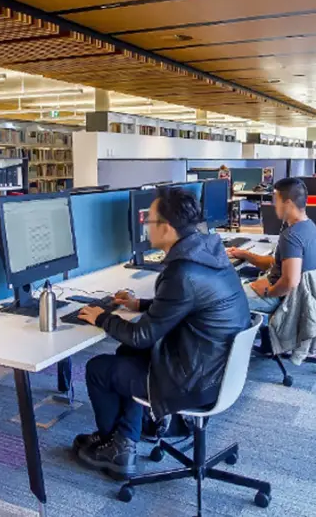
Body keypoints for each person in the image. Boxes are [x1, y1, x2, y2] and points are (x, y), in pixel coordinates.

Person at [73, 186, 249, 478]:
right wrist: (140, 304)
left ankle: (114, 447)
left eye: (149, 220)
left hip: (195, 381)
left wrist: (102, 317)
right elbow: (188, 305)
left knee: (99, 369)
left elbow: (141, 335)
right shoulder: (208, 253)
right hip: (216, 368)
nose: (144, 225)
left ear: (166, 228)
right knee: (128, 352)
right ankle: (125, 437)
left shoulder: (182, 272)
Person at [227, 177, 316, 314]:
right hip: (288, 294)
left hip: (279, 299)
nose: (274, 205)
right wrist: (245, 254)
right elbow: (278, 265)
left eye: (276, 200)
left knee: (219, 299)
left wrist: (268, 291)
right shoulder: (310, 227)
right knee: (234, 284)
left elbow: (291, 281)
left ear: (288, 203)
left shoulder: (291, 236)